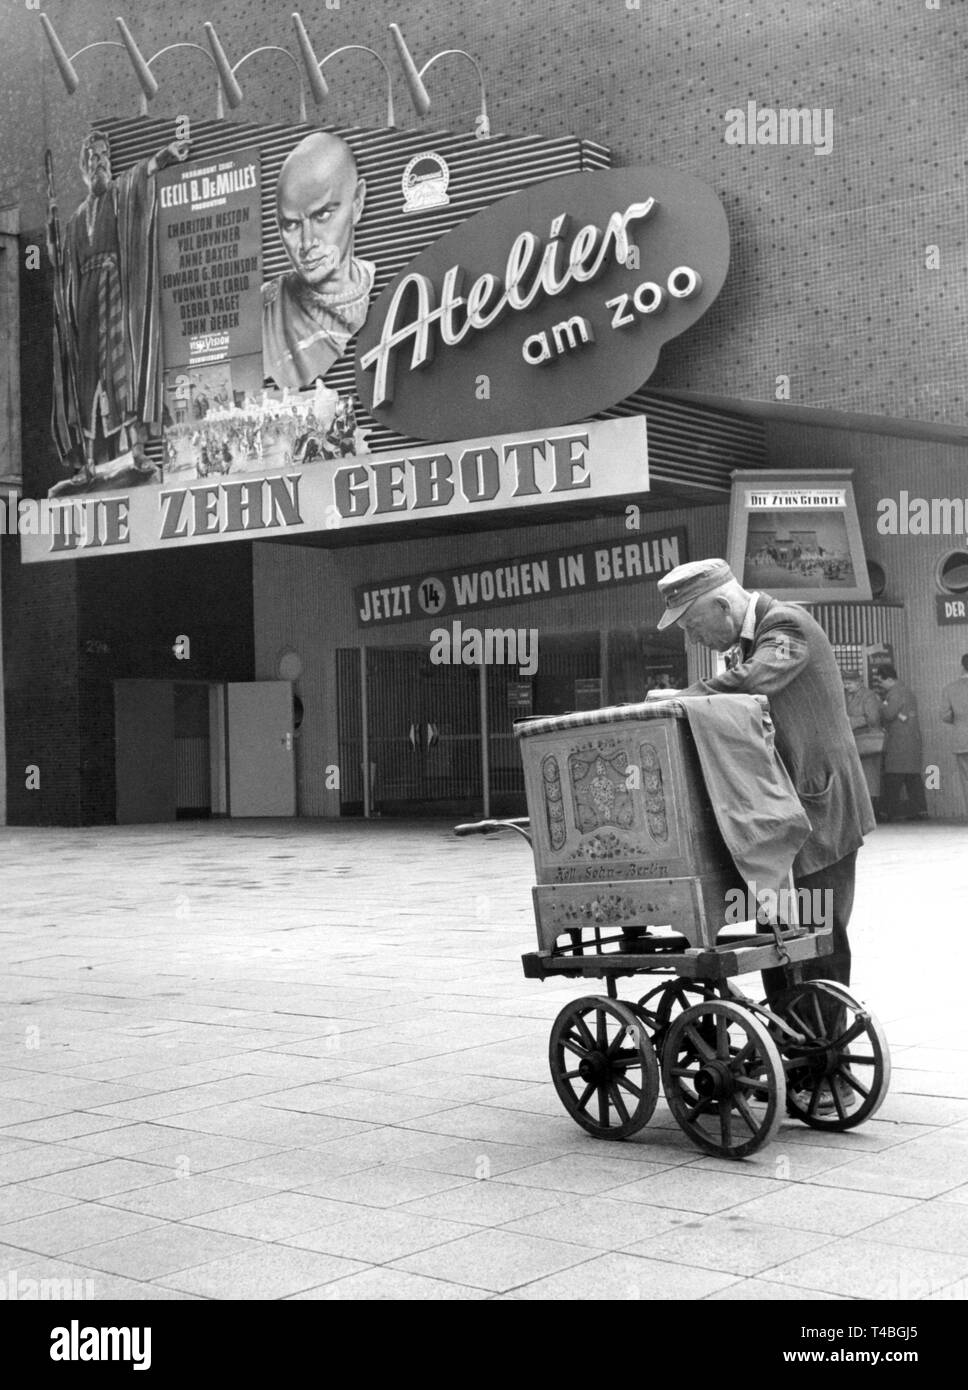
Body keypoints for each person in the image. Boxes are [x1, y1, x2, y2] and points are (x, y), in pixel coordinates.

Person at [654, 559, 875, 1056]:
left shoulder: (786, 625)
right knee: (778, 936)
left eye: (693, 624)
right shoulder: (754, 639)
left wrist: (685, 697)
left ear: (722, 604)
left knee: (817, 937)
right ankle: (791, 1049)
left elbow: (758, 678)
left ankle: (823, 1057)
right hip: (787, 818)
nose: (693, 638)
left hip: (822, 814)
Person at [48, 130, 190, 493]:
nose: (100, 162)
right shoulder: (76, 219)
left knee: (121, 372)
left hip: (114, 293)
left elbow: (139, 177)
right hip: (84, 304)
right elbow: (61, 264)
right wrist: (50, 244)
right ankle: (85, 466)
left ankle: (138, 451)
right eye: (93, 158)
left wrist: (164, 156)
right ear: (84, 168)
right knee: (85, 383)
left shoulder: (117, 196)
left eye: (104, 156)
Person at [262, 132, 376, 390]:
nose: (306, 242)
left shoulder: (386, 287)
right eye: (291, 224)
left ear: (357, 203)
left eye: (322, 215)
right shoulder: (263, 314)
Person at [877, 665, 927, 821]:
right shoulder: (907, 690)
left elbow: (888, 714)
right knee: (913, 777)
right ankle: (920, 810)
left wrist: (881, 704)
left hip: (899, 742)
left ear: (890, 679)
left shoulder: (895, 693)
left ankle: (888, 812)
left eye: (881, 682)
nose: (880, 685)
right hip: (911, 741)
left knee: (893, 776)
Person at [843, 669, 883, 811]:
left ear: (859, 682)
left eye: (849, 683)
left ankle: (872, 809)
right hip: (855, 741)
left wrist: (851, 721)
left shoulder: (868, 696)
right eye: (845, 683)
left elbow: (873, 719)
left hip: (867, 740)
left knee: (870, 777)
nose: (847, 686)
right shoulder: (846, 696)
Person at [940, 654, 968, 815]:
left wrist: (959, 721)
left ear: (962, 666)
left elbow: (945, 715)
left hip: (962, 739)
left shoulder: (950, 688)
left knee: (966, 780)